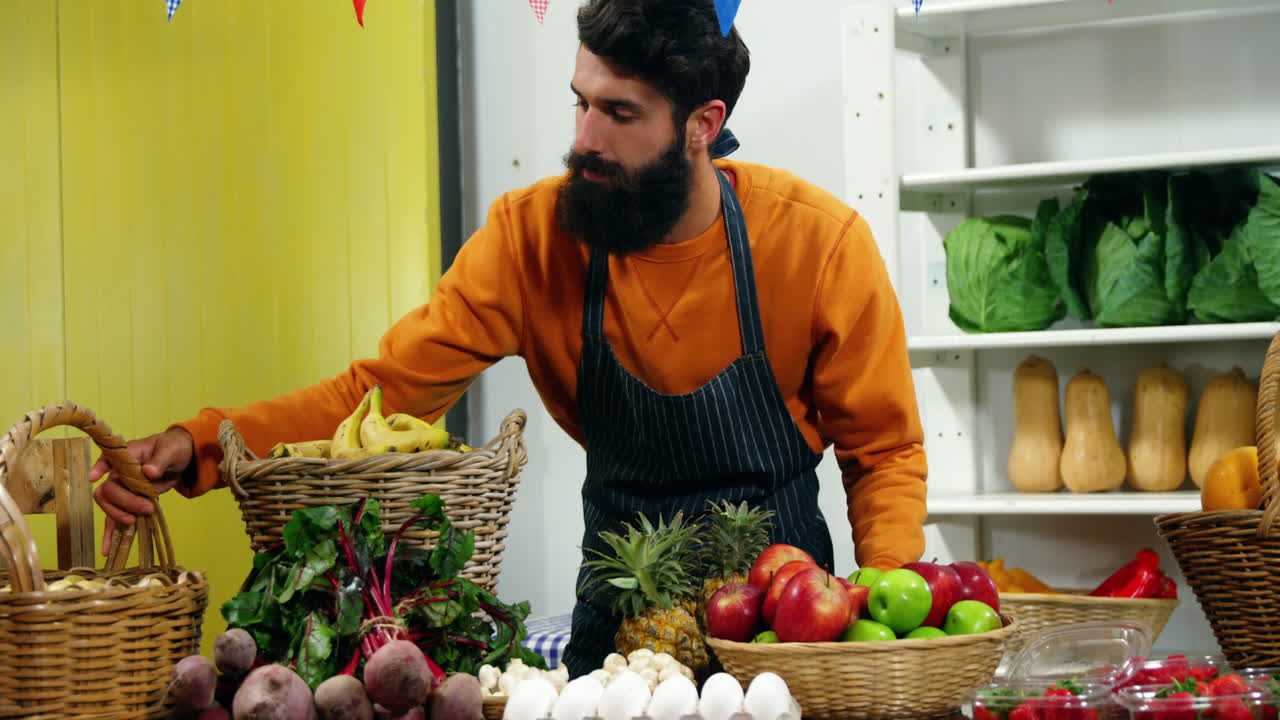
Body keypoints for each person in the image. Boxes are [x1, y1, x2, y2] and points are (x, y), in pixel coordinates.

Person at [90, 0, 928, 677]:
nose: (584, 138)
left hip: (787, 631)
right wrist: (201, 443)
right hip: (619, 640)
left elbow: (884, 452)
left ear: (703, 123)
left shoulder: (817, 244)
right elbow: (372, 401)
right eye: (581, 101)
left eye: (619, 113)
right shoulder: (531, 240)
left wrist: (887, 621)